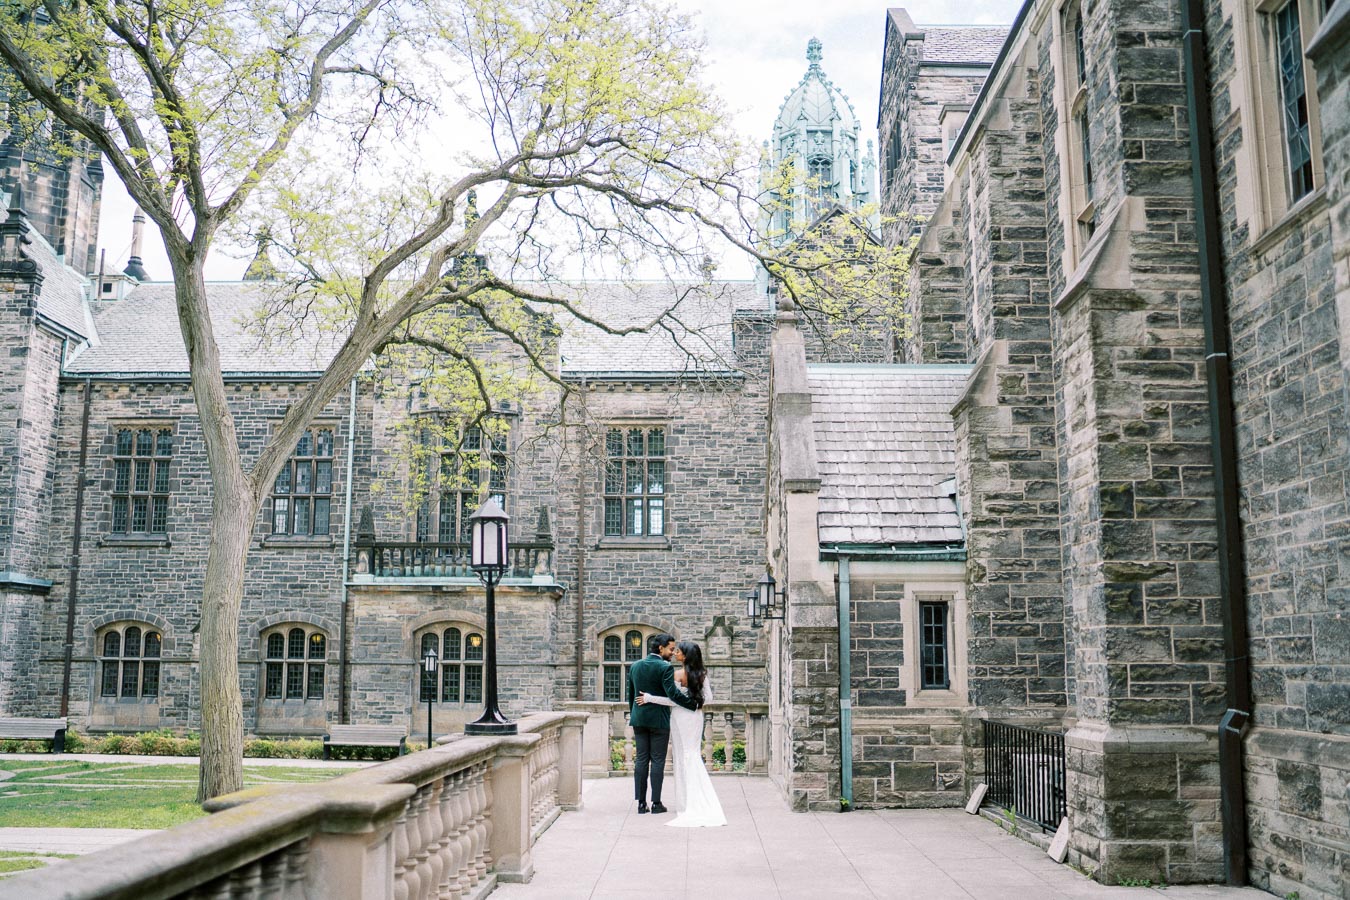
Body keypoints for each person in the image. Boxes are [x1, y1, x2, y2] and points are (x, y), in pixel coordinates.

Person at [637, 640, 727, 827]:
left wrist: (649, 698)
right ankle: (695, 800)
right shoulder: (701, 674)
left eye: (678, 651)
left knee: (684, 757)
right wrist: (695, 703)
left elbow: (673, 701)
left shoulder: (677, 674)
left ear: (685, 656)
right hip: (695, 717)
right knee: (691, 754)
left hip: (679, 717)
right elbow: (708, 698)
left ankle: (688, 803)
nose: (675, 652)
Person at [627, 633, 699, 814]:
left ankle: (641, 803)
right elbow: (672, 695)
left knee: (641, 759)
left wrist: (635, 714)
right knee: (658, 760)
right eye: (671, 648)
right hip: (658, 720)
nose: (673, 652)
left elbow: (632, 696)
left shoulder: (635, 666)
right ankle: (656, 803)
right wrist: (692, 705)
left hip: (639, 719)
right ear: (661, 648)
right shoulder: (665, 667)